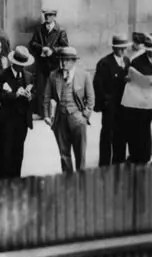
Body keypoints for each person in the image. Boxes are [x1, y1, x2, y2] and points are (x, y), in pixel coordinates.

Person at [44, 47, 94, 173]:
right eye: (61, 60)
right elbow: (46, 97)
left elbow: (91, 97)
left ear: (73, 61)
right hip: (60, 119)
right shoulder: (53, 75)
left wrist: (85, 116)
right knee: (64, 153)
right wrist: (46, 115)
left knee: (80, 154)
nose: (63, 63)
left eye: (66, 60)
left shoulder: (84, 75)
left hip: (78, 118)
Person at [0, 47, 35, 179]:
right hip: (6, 121)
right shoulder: (2, 75)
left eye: (23, 65)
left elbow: (35, 94)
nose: (21, 68)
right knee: (5, 154)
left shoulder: (28, 76)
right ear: (14, 63)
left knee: (18, 153)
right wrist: (15, 95)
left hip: (22, 121)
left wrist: (30, 96)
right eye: (19, 65)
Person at [93, 34, 131, 166]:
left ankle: (118, 163)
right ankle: (104, 165)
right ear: (114, 48)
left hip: (124, 105)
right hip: (110, 106)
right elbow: (98, 85)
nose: (122, 51)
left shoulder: (127, 61)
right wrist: (105, 102)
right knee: (107, 135)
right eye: (120, 48)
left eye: (124, 48)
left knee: (121, 135)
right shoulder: (104, 63)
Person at [29, 9, 69, 118]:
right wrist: (42, 48)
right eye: (46, 15)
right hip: (42, 64)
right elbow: (32, 44)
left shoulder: (61, 30)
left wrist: (53, 50)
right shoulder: (39, 29)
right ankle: (42, 113)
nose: (47, 17)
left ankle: (57, 113)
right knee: (41, 88)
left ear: (54, 16)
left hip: (54, 65)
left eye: (50, 15)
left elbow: (65, 47)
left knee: (56, 89)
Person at [120, 35, 152, 165]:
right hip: (140, 104)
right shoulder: (137, 61)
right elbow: (130, 79)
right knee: (140, 129)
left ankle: (146, 155)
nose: (150, 52)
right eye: (149, 49)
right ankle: (140, 156)